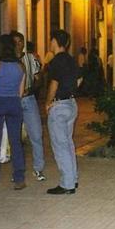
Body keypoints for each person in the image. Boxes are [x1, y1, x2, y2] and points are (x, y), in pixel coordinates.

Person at [0, 34, 27, 192]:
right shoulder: (21, 67)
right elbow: (21, 92)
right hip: (14, 103)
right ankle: (19, 179)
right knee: (15, 142)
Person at [44, 30, 81, 195]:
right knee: (68, 143)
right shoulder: (71, 60)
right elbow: (80, 79)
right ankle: (73, 178)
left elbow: (54, 83)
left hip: (59, 105)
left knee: (60, 145)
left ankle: (67, 184)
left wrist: (48, 101)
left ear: (54, 41)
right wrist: (70, 89)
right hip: (71, 103)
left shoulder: (56, 61)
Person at [11, 31, 47, 181]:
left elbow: (39, 78)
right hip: (13, 101)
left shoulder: (30, 58)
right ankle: (17, 171)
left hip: (29, 99)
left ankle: (38, 168)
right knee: (15, 137)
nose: (19, 45)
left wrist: (31, 89)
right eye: (16, 42)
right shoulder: (7, 61)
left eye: (21, 42)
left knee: (36, 134)